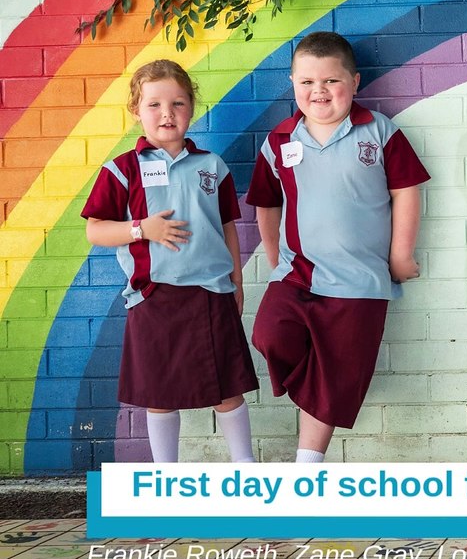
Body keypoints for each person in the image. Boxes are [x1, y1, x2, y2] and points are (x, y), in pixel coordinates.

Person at [246, 31, 429, 462]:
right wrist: (274, 257)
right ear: (293, 83)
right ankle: (321, 389)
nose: (319, 91)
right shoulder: (279, 140)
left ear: (355, 82)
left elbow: (406, 191)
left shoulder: (379, 131)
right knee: (268, 334)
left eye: (331, 80)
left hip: (360, 281)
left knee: (333, 378)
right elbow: (267, 204)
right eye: (307, 82)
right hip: (297, 273)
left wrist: (400, 254)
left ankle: (307, 468)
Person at [82, 59, 257, 463]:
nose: (167, 113)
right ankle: (166, 473)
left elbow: (227, 228)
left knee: (228, 389)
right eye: (154, 104)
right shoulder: (122, 169)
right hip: (154, 297)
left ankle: (245, 465)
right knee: (159, 395)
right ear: (136, 111)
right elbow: (96, 230)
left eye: (178, 103)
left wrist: (237, 283)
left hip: (211, 293)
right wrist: (141, 229)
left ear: (191, 107)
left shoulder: (212, 166)